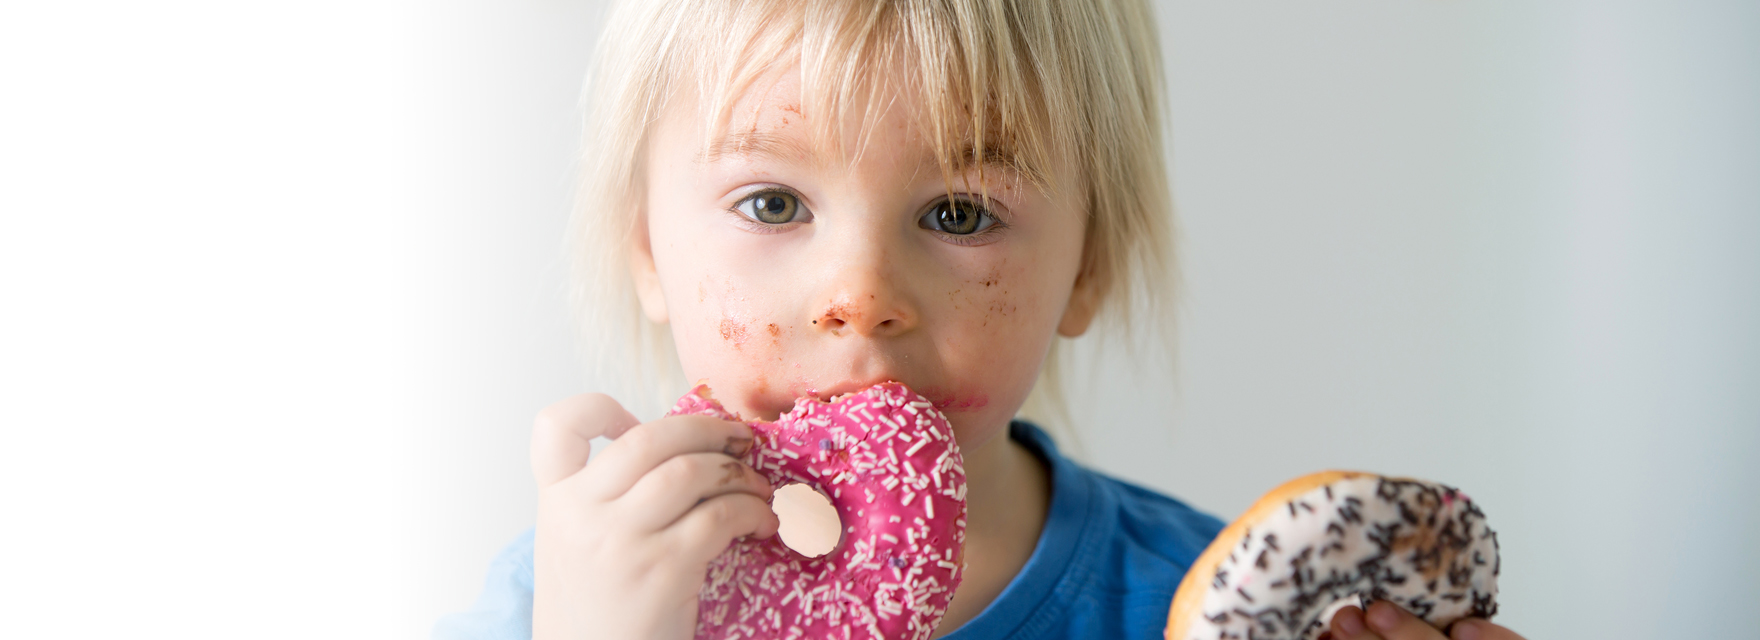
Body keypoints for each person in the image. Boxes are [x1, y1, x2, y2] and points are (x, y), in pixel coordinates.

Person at [438, 1, 1528, 639]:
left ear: (1087, 264)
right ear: (646, 249)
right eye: (773, 203)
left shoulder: (1198, 605)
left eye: (959, 212)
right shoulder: (562, 601)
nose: (859, 294)